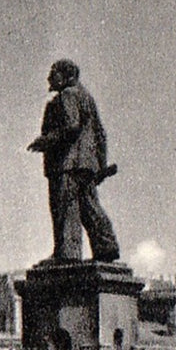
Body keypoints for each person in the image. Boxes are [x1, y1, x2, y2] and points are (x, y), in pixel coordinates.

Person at [27, 59, 120, 262]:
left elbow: (71, 126)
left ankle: (67, 254)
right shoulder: (87, 97)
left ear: (67, 76)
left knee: (65, 207)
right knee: (89, 206)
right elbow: (100, 134)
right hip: (86, 165)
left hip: (66, 164)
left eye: (54, 73)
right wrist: (99, 166)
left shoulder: (67, 95)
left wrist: (46, 141)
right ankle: (106, 246)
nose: (49, 78)